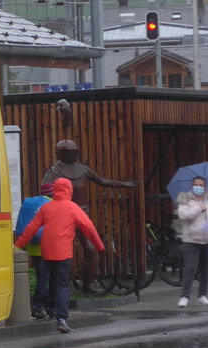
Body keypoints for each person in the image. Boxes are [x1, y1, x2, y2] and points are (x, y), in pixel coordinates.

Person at [41, 139, 136, 293]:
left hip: (81, 214)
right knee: (64, 250)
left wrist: (122, 184)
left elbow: (102, 181)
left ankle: (88, 284)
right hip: (63, 215)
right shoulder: (54, 171)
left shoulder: (83, 169)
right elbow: (45, 191)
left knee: (90, 248)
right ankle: (63, 285)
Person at [15, 177, 105, 334]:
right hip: (63, 252)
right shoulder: (72, 207)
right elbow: (88, 227)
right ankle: (62, 318)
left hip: (46, 251)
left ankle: (48, 308)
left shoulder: (47, 207)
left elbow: (31, 228)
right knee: (62, 284)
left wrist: (18, 245)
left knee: (48, 280)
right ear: (69, 190)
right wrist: (99, 246)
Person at [175, 175, 208, 308]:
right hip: (191, 239)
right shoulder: (185, 199)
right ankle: (184, 296)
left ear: (205, 187)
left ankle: (202, 295)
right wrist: (199, 209)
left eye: (201, 185)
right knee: (190, 268)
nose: (198, 187)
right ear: (192, 185)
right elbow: (183, 215)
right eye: (196, 184)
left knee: (206, 269)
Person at [14, 182, 54, 319]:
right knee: (45, 279)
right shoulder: (52, 205)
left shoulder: (33, 203)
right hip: (47, 247)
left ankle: (47, 306)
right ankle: (38, 306)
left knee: (42, 277)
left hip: (33, 247)